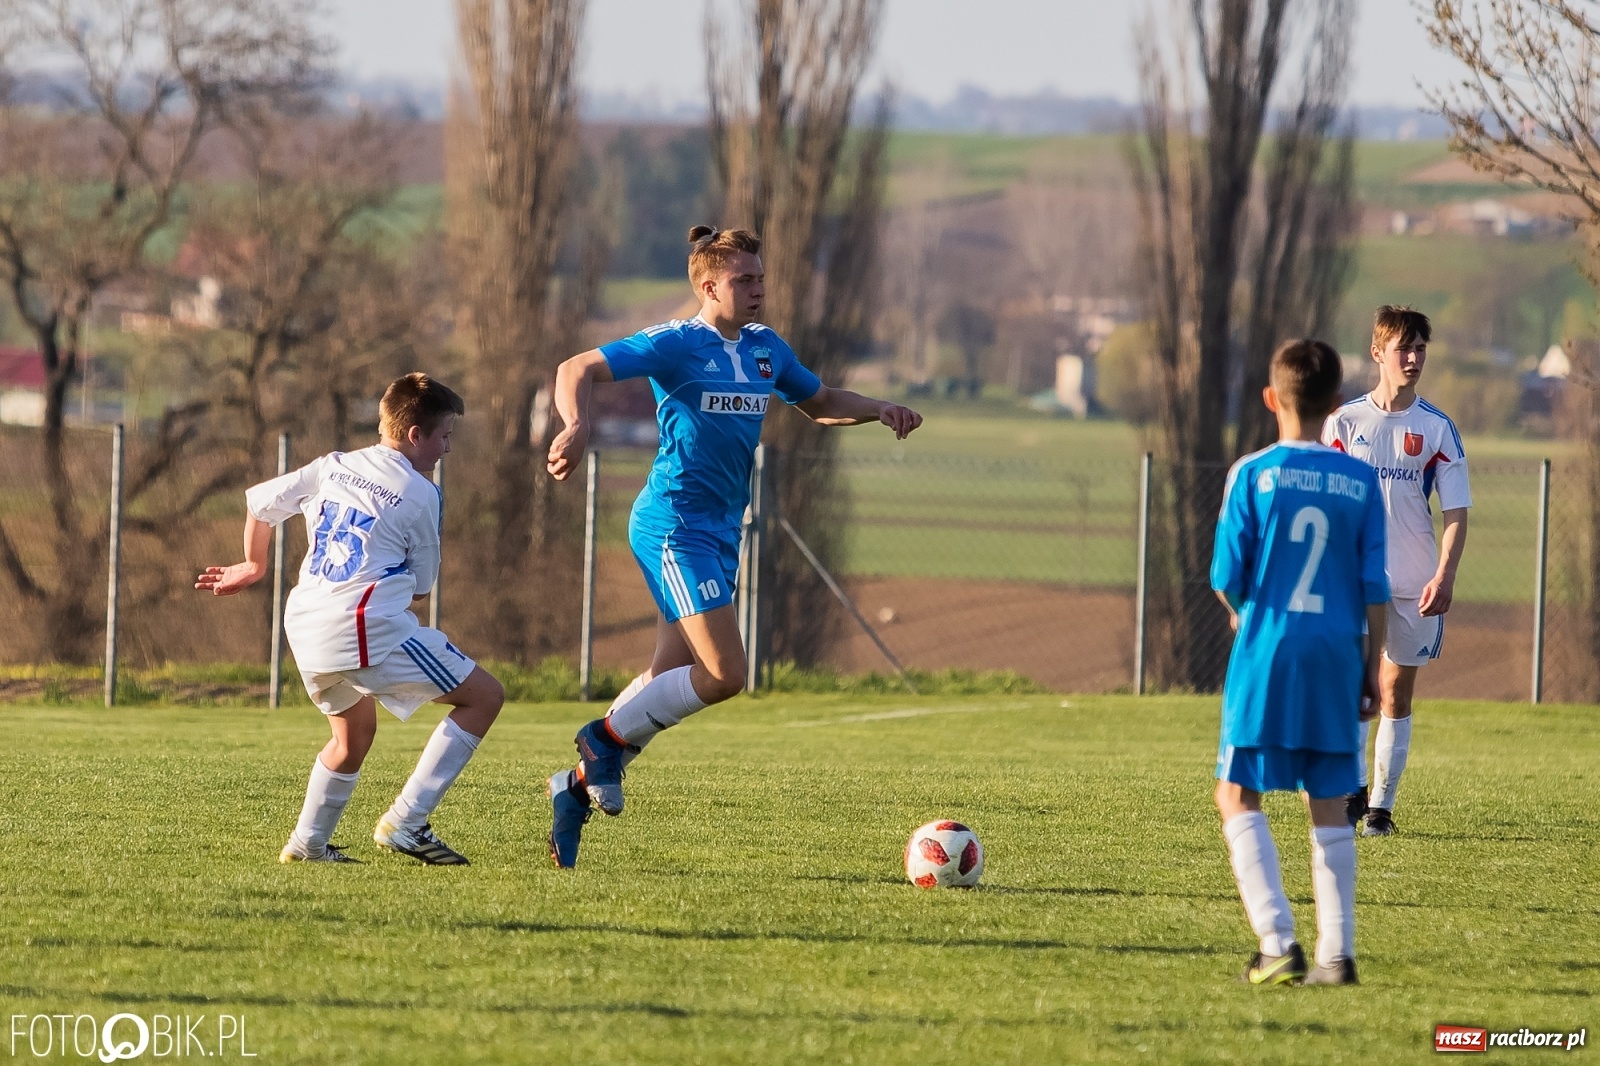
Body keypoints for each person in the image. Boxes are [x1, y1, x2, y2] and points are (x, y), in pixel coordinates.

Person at [542, 225, 923, 868]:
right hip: (672, 526)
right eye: (745, 280)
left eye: (761, 278)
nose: (758, 289)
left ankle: (574, 788)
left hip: (720, 531)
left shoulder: (767, 350)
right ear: (708, 284)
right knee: (725, 675)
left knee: (666, 677)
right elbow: (575, 367)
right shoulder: (676, 344)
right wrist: (576, 425)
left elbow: (822, 401)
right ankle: (599, 740)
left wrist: (878, 408)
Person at [196, 373, 505, 866]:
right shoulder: (422, 494)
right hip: (361, 627)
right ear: (415, 436)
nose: (447, 448)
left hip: (304, 624)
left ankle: (307, 845)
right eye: (444, 436)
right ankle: (408, 822)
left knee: (353, 734)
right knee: (485, 697)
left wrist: (254, 565)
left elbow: (260, 503)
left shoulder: (334, 465)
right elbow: (422, 589)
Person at [1211, 338, 1389, 986]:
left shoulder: (1251, 473)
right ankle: (1335, 956)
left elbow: (1225, 575)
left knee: (1237, 792)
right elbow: (1374, 586)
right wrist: (1370, 668)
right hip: (1338, 650)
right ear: (1335, 407)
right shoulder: (1361, 480)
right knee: (1331, 800)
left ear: (1270, 399)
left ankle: (1275, 941)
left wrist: (1243, 610)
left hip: (1269, 649)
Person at [1322, 306, 1471, 837]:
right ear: (1377, 351)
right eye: (1403, 348)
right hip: (1354, 583)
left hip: (1414, 583)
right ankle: (1356, 791)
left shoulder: (1437, 429)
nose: (1413, 358)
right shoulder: (1344, 424)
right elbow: (1326, 501)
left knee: (1394, 693)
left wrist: (1445, 574)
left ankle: (1381, 808)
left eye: (1421, 349)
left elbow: (1457, 513)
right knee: (1352, 689)